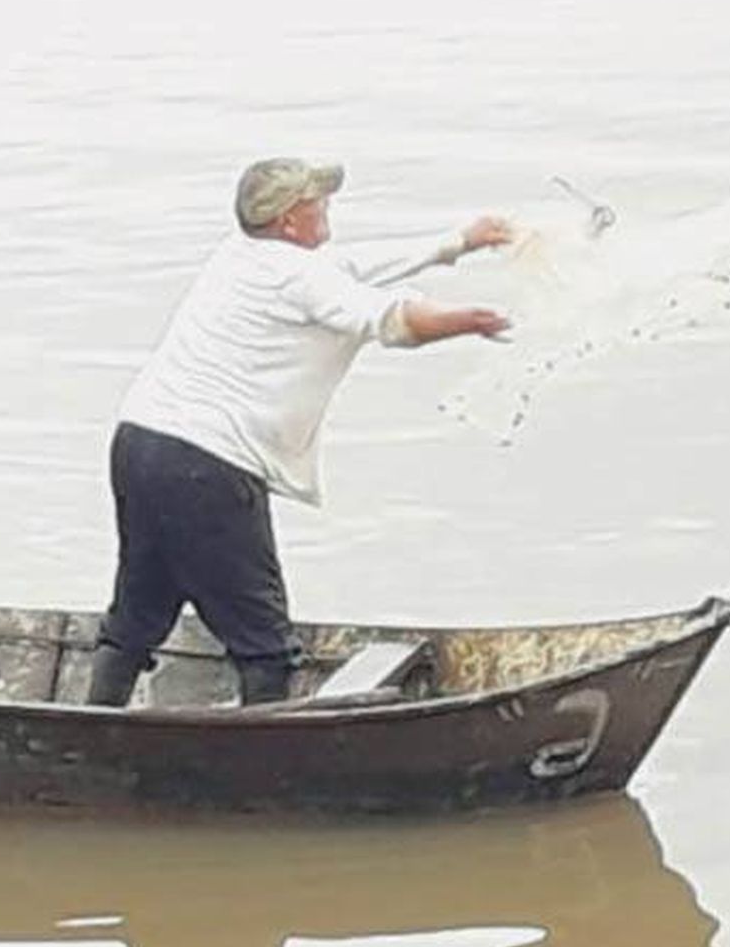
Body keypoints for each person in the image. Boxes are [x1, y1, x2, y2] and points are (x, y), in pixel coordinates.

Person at [89, 157, 512, 707]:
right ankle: (267, 756)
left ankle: (96, 722)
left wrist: (458, 241)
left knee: (139, 609)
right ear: (290, 220)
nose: (327, 205)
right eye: (318, 200)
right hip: (206, 467)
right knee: (263, 641)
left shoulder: (241, 257)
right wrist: (472, 321)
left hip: (140, 443)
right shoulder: (299, 275)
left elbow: (354, 268)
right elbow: (391, 321)